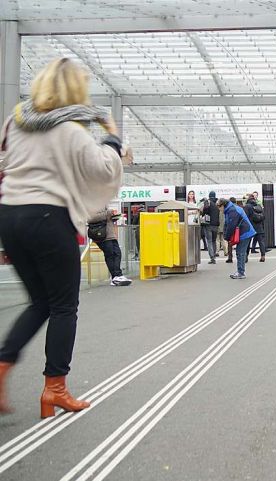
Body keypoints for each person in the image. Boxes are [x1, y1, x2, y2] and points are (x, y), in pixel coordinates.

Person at [0, 58, 128, 417]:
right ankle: (55, 388)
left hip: (10, 216)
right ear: (75, 90)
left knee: (40, 301)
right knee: (63, 306)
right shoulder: (70, 130)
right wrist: (112, 137)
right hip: (48, 217)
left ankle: (3, 365)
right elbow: (104, 169)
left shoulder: (14, 122)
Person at [88, 207, 133, 285]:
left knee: (117, 253)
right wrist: (108, 213)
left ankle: (117, 276)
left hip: (110, 234)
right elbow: (90, 218)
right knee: (111, 255)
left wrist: (114, 217)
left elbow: (105, 218)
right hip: (102, 235)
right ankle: (116, 276)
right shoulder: (93, 204)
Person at [221, 198, 255, 279]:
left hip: (245, 233)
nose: (219, 209)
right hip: (244, 232)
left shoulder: (232, 210)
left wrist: (227, 237)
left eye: (219, 207)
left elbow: (231, 225)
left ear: (222, 205)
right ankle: (240, 271)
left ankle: (241, 272)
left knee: (240, 252)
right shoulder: (230, 209)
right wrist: (226, 236)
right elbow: (227, 224)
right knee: (240, 252)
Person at [244, 194, 266, 261]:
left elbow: (245, 217)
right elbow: (263, 216)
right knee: (261, 242)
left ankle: (246, 256)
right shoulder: (258, 206)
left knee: (247, 242)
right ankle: (263, 256)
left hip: (250, 227)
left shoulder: (247, 206)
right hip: (259, 227)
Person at [201, 191, 220, 264]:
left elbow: (204, 211)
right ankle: (214, 256)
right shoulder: (217, 203)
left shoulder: (208, 202)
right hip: (216, 225)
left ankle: (212, 258)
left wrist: (203, 213)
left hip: (208, 225)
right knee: (214, 241)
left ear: (209, 196)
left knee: (209, 241)